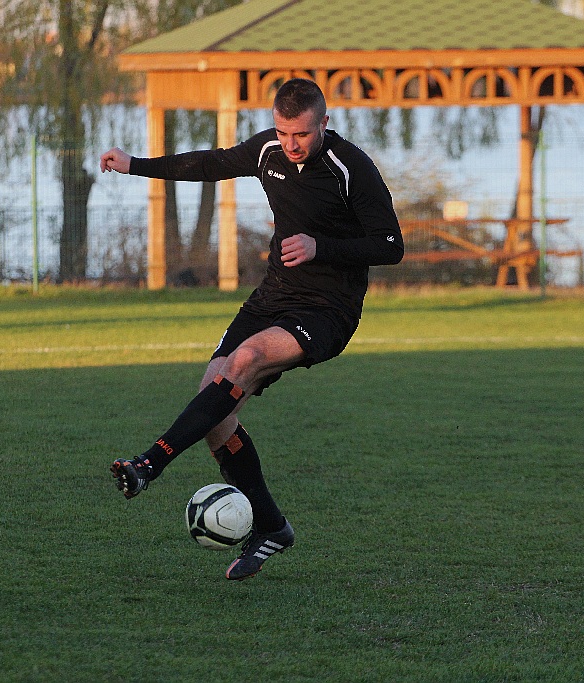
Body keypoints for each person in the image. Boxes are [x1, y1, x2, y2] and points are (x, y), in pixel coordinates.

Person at [99, 78, 404, 580]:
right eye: (283, 132)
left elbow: (391, 245)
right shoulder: (268, 151)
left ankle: (149, 463)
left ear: (324, 123)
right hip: (272, 298)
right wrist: (136, 165)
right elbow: (211, 164)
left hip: (329, 309)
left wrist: (321, 247)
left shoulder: (352, 167)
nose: (291, 144)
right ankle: (271, 526)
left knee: (245, 360)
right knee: (214, 406)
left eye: (301, 133)